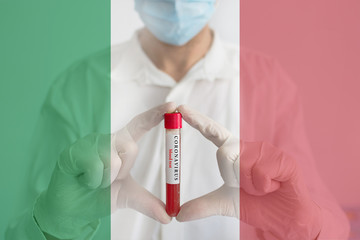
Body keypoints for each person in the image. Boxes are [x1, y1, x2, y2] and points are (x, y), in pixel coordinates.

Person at [5, 0, 350, 239]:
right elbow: (20, 227)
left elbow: (326, 219)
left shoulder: (266, 83)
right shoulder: (79, 86)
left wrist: (305, 227)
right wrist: (53, 226)